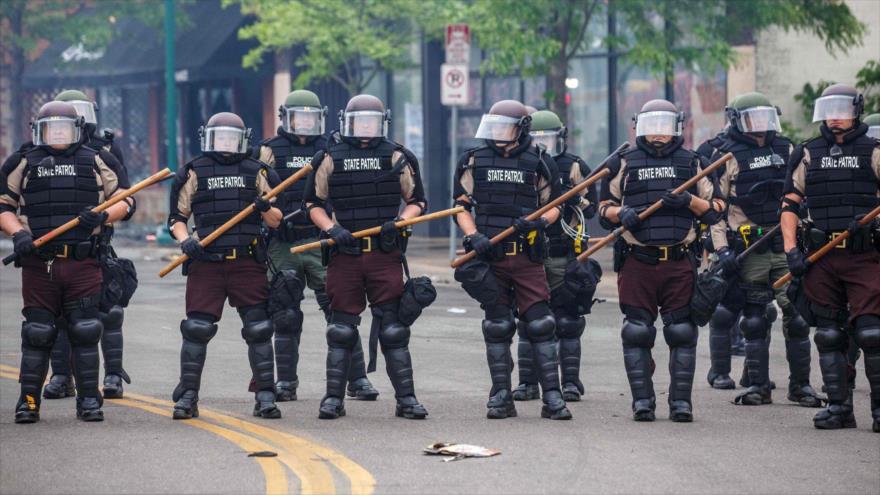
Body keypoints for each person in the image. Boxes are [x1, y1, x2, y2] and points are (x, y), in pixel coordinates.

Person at [1, 101, 131, 423]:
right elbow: (4, 205)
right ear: (38, 131)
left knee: (86, 330)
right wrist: (18, 234)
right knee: (37, 332)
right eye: (51, 128)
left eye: (64, 128)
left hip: (82, 262)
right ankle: (28, 401)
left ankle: (89, 401)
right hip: (39, 263)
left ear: (77, 129)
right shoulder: (22, 161)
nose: (57, 134)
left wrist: (101, 215)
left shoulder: (99, 159)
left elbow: (127, 201)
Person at [303, 94, 428, 420]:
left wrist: (400, 222)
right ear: (347, 121)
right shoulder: (329, 157)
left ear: (382, 121)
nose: (365, 127)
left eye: (371, 121)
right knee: (341, 329)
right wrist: (332, 229)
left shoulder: (397, 156)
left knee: (393, 329)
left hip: (383, 254)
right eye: (359, 121)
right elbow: (313, 204)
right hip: (345, 253)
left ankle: (407, 399)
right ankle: (333, 399)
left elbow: (417, 202)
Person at [598, 99, 724, 422]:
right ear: (639, 127)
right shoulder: (623, 162)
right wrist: (620, 213)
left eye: (664, 128)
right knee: (637, 332)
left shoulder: (693, 162)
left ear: (677, 128)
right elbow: (602, 209)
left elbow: (716, 209)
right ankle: (643, 401)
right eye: (652, 127)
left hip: (678, 261)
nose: (658, 135)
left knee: (682, 332)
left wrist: (689, 200)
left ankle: (681, 403)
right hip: (637, 261)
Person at [255, 89, 378, 402]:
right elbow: (259, 191)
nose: (306, 124)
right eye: (300, 118)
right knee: (285, 312)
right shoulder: (269, 150)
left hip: (322, 239)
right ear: (286, 118)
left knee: (341, 310)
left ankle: (358, 379)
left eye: (312, 118)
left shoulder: (330, 148)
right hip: (283, 241)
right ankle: (285, 382)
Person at [453, 99, 572, 420]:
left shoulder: (540, 161)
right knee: (497, 325)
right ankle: (501, 397)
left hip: (526, 257)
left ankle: (553, 398)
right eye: (494, 126)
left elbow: (557, 205)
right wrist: (472, 235)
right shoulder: (474, 159)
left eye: (504, 127)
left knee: (541, 324)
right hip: (489, 255)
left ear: (521, 130)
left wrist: (538, 222)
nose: (497, 133)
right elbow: (461, 204)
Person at [167, 112, 283, 420]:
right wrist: (184, 241)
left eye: (232, 138)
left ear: (243, 140)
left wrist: (264, 207)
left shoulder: (258, 171)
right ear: (208, 137)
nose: (226, 144)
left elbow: (277, 220)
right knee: (197, 329)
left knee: (259, 328)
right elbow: (176, 220)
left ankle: (266, 395)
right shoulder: (193, 171)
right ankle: (188, 396)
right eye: (220, 138)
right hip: (206, 262)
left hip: (246, 260)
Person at [709, 92, 821, 407]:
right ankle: (758, 386)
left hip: (785, 246)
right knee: (755, 319)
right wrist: (721, 251)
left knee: (797, 316)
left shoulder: (788, 149)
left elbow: (803, 197)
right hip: (748, 249)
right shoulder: (725, 157)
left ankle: (800, 387)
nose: (759, 127)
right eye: (751, 119)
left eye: (764, 118)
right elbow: (716, 209)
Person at [780, 83, 880, 431]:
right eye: (829, 109)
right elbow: (790, 204)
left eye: (842, 109)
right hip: (821, 256)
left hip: (865, 255)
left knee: (871, 333)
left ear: (856, 109)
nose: (835, 117)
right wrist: (792, 250)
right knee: (828, 334)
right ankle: (839, 408)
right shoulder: (808, 152)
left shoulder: (874, 150)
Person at [41, 89, 134, 400]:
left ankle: (112, 376)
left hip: (96, 244)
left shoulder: (105, 149)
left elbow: (125, 198)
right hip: (55, 248)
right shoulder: (41, 152)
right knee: (58, 316)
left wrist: (105, 217)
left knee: (109, 313)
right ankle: (62, 376)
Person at [512, 109, 597, 403]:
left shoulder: (574, 166)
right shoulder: (522, 163)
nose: (543, 145)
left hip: (566, 252)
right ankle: (527, 383)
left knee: (568, 321)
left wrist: (574, 198)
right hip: (531, 253)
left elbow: (592, 208)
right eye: (537, 139)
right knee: (529, 321)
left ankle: (570, 382)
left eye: (548, 138)